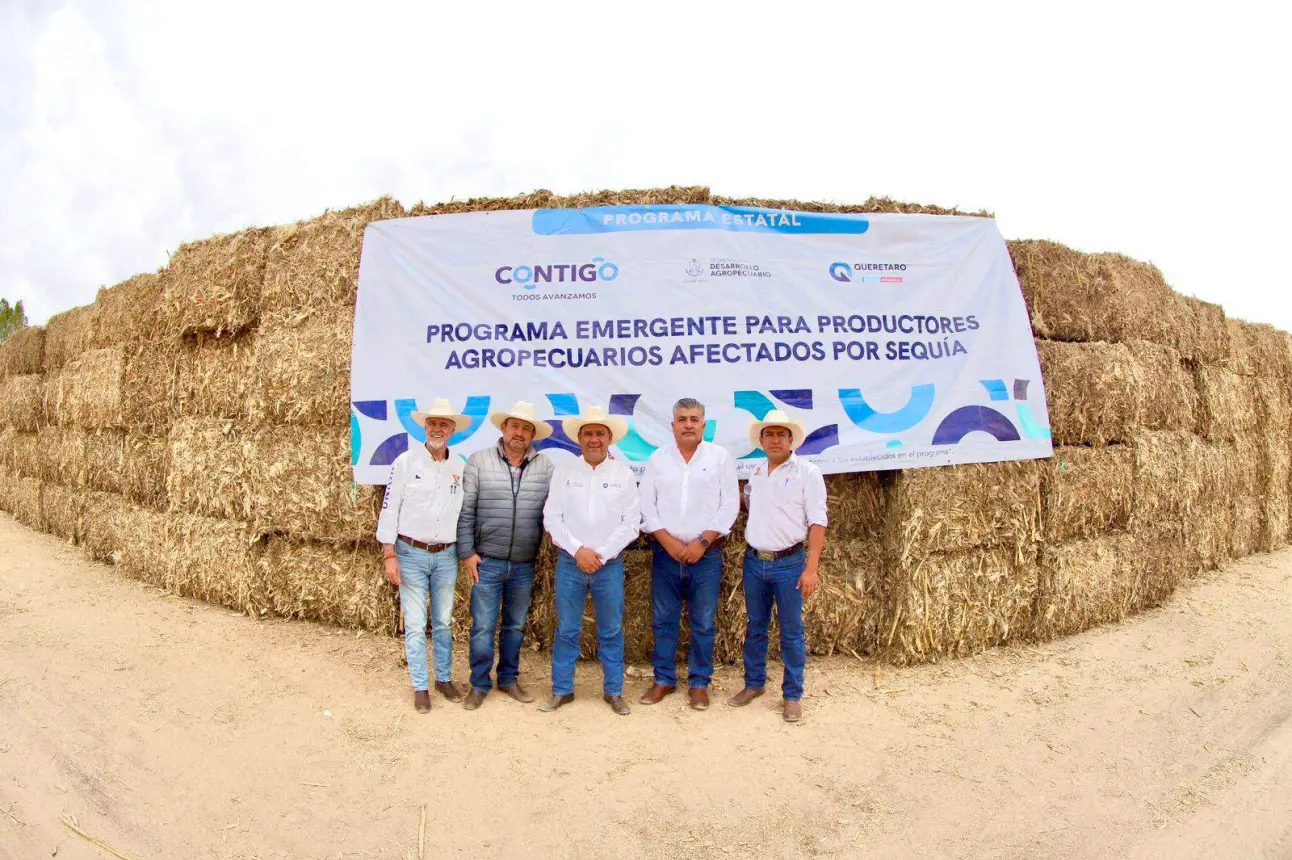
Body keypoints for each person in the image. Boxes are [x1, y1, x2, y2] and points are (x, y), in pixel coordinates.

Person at [539, 405, 642, 715]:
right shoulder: (565, 472)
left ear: (609, 438)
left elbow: (631, 523)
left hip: (607, 566)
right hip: (571, 564)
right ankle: (562, 690)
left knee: (611, 630)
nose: (594, 439)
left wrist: (601, 554)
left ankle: (613, 691)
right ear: (579, 438)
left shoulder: (623, 474)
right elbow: (552, 517)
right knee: (567, 630)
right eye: (588, 434)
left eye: (600, 433)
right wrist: (578, 550)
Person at [638, 397, 738, 710]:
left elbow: (729, 505)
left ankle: (699, 683)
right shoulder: (658, 459)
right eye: (682, 419)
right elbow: (646, 505)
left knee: (703, 622)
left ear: (704, 425)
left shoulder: (720, 458)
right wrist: (667, 540)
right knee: (663, 620)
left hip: (705, 556)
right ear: (673, 425)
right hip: (666, 554)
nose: (689, 424)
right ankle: (664, 679)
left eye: (695, 419)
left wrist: (703, 542)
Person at [727, 410, 826, 723]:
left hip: (789, 564)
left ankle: (792, 694)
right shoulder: (757, 473)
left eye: (780, 434)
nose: (774, 440)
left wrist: (811, 569)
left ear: (791, 439)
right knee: (755, 626)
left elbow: (818, 522)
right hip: (755, 562)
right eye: (768, 435)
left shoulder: (808, 473)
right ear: (761, 440)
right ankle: (754, 684)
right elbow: (749, 507)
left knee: (792, 632)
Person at [457, 401, 555, 710]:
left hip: (524, 564)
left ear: (532, 435)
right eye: (516, 426)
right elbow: (466, 510)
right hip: (487, 560)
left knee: (515, 626)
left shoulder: (546, 467)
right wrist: (467, 552)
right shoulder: (479, 461)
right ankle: (479, 684)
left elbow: (555, 511)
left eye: (527, 429)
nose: (520, 433)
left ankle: (509, 679)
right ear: (504, 428)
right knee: (483, 625)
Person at [376, 398, 470, 713]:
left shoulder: (460, 467)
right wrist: (389, 554)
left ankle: (443, 678)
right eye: (432, 423)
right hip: (410, 553)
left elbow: (464, 514)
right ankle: (420, 686)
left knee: (443, 622)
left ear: (453, 430)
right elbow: (389, 509)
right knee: (416, 625)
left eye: (444, 424)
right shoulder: (405, 462)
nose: (437, 428)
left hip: (446, 555)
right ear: (424, 427)